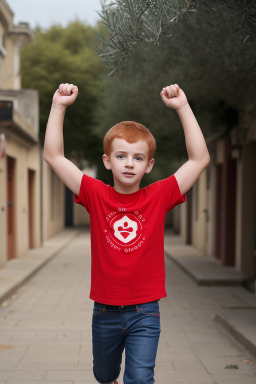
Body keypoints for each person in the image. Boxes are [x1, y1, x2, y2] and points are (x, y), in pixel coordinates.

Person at [44, 82, 210, 384]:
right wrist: (59, 106)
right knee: (104, 375)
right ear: (107, 161)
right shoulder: (96, 194)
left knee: (141, 378)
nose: (129, 164)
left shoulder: (159, 196)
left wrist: (183, 107)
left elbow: (199, 160)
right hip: (104, 311)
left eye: (138, 158)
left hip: (145, 311)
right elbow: (54, 156)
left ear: (149, 165)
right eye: (121, 156)